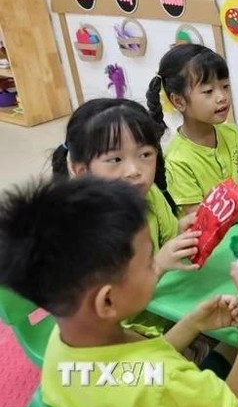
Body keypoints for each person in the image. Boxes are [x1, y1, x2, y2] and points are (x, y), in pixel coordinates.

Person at [0, 176, 238, 407]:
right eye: (149, 261)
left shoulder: (63, 343)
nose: (156, 263)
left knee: (228, 345)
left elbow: (131, 369)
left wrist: (192, 322)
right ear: (107, 301)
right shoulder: (161, 387)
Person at [52, 98, 198, 277]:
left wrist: (180, 233)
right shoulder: (85, 229)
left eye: (145, 154)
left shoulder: (150, 194)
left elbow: (167, 242)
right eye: (116, 160)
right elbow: (111, 299)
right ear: (83, 171)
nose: (134, 171)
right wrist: (158, 265)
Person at [146, 44, 238, 224]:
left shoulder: (231, 133)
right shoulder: (176, 160)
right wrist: (237, 216)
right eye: (208, 91)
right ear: (179, 101)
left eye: (225, 86)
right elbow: (196, 218)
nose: (222, 97)